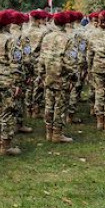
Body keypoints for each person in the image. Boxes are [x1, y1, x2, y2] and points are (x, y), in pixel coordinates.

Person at [0, 9, 24, 156]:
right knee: (7, 112)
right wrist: (18, 83)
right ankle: (5, 146)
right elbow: (16, 62)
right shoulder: (12, 39)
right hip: (7, 77)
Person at [38, 11, 76, 143]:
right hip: (62, 77)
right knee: (60, 106)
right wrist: (73, 77)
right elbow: (70, 61)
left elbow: (42, 58)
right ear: (66, 23)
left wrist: (42, 74)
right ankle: (57, 134)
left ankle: (48, 132)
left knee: (49, 104)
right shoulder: (68, 39)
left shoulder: (47, 37)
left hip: (49, 76)